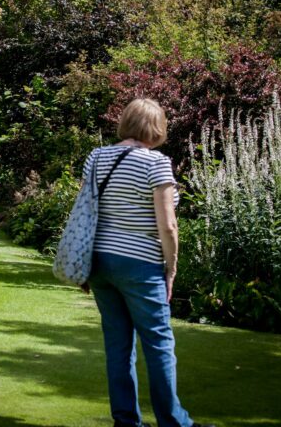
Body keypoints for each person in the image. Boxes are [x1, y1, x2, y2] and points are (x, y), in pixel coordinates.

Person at [81, 99, 214, 427]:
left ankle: (125, 421)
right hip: (140, 264)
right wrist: (172, 266)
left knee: (118, 345)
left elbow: (84, 212)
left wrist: (84, 264)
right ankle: (174, 422)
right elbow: (167, 225)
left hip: (100, 261)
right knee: (159, 343)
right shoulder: (156, 163)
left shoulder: (96, 158)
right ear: (156, 128)